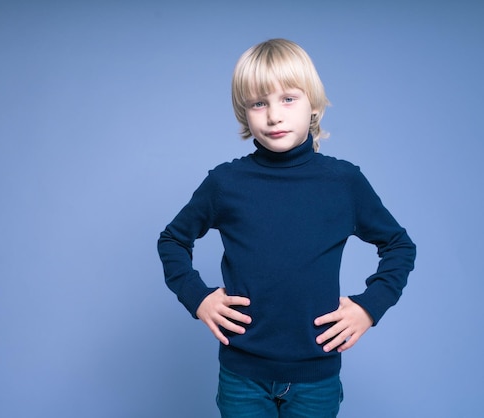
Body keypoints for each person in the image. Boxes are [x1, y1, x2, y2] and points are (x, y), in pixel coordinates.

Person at [157, 38, 416, 417]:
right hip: (242, 376)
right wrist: (198, 298)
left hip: (316, 377)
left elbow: (398, 245)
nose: (273, 115)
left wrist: (368, 308)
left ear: (313, 103)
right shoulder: (226, 183)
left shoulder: (342, 183)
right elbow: (172, 240)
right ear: (244, 112)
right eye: (258, 103)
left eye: (288, 99)